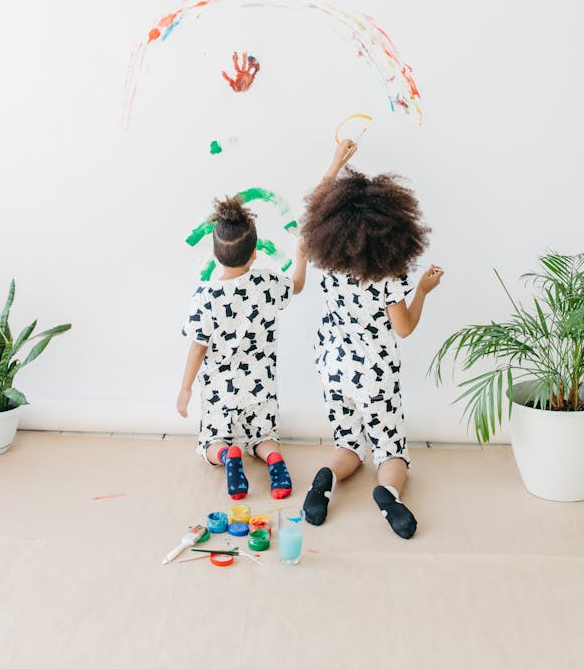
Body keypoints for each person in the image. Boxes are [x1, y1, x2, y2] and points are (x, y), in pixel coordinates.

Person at [299, 139, 443, 538]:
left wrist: (333, 165)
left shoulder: (323, 261)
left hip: (333, 367)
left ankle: (322, 485)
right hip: (375, 374)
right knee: (391, 451)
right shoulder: (386, 276)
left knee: (347, 445)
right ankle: (388, 495)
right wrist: (423, 291)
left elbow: (305, 215)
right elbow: (404, 328)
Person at [177, 195, 306, 500]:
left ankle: (225, 456)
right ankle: (274, 460)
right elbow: (297, 285)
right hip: (260, 385)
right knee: (264, 437)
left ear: (214, 252)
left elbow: (197, 347)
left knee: (211, 442)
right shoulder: (267, 283)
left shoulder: (205, 296)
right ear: (255, 255)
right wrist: (302, 252)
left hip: (221, 389)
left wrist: (185, 388)